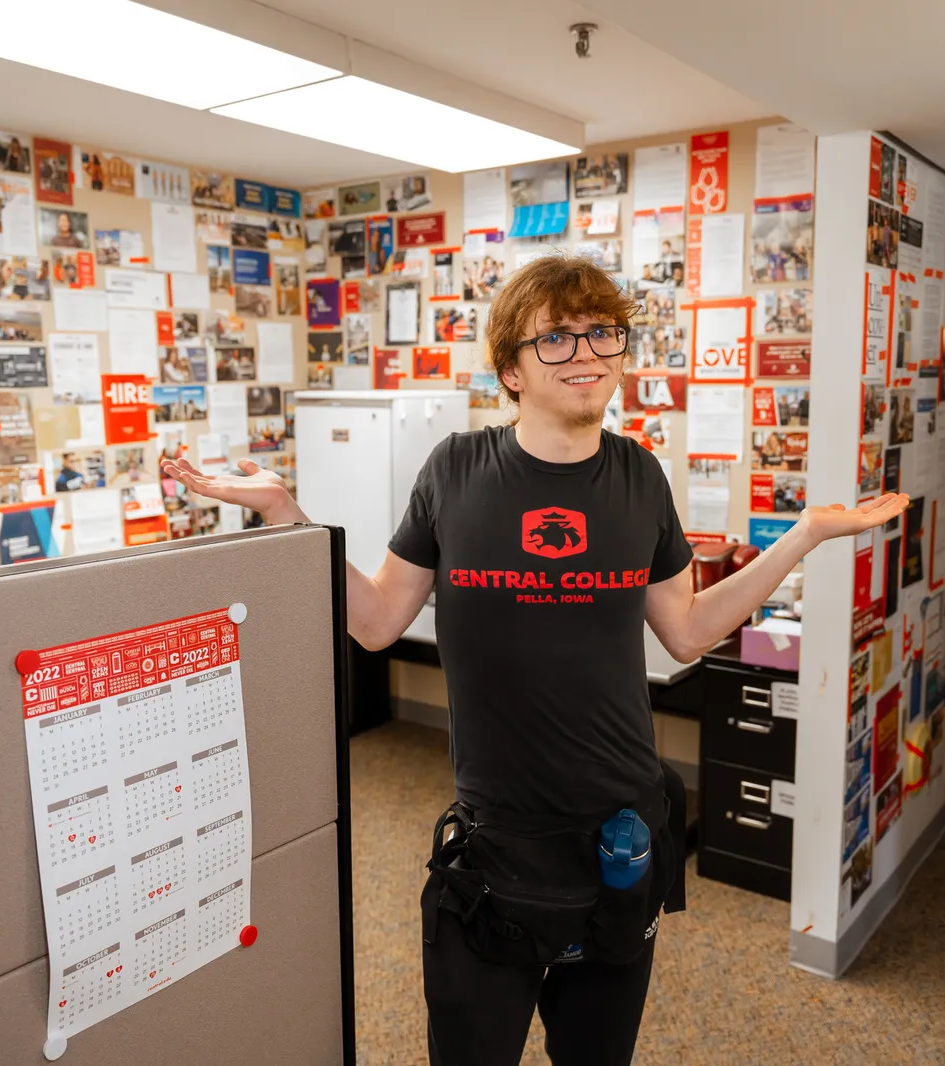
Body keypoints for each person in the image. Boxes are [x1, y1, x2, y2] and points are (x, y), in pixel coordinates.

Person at [162, 256, 906, 1066]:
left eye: (601, 332)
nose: (585, 351)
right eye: (555, 337)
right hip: (497, 844)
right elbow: (375, 622)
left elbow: (687, 632)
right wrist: (284, 513)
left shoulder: (639, 477)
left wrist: (801, 538)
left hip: (619, 835)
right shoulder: (456, 470)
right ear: (511, 369)